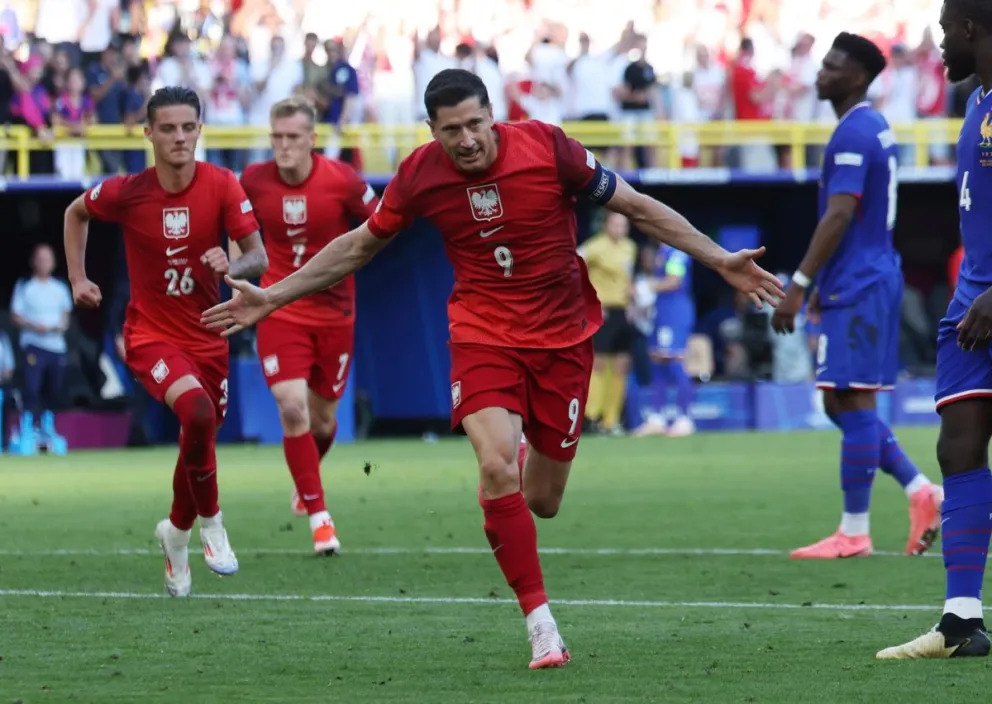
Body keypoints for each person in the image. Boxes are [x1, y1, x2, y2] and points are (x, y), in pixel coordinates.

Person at [201, 69, 784, 669]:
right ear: (433, 130)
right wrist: (272, 295)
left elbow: (635, 206)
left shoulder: (550, 147)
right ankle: (541, 625)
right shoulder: (420, 174)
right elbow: (358, 245)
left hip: (562, 338)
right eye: (451, 130)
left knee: (544, 500)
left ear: (493, 115)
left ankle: (526, 460)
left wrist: (718, 259)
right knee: (494, 465)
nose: (467, 139)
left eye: (476, 124)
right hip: (482, 333)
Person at [63, 86, 268, 598]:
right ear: (148, 132)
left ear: (200, 130)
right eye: (169, 128)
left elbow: (258, 256)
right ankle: (212, 527)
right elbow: (74, 213)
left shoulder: (222, 184)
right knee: (197, 416)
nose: (179, 137)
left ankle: (175, 535)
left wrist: (232, 264)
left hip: (209, 335)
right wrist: (77, 278)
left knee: (196, 439)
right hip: (150, 335)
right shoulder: (128, 191)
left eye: (188, 127)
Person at [771, 33, 942, 561]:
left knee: (853, 398)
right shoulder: (867, 127)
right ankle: (921, 492)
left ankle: (855, 531)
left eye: (832, 66)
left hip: (862, 282)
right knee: (837, 399)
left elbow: (841, 213)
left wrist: (799, 285)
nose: (820, 73)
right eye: (822, 63)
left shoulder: (855, 132)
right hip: (856, 279)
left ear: (859, 77)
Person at [877, 0, 992, 659]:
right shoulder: (977, 101)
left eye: (945, 33)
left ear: (972, 28)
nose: (938, 48)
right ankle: (961, 622)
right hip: (971, 302)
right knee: (958, 447)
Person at [240, 96, 378, 555]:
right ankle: (321, 520)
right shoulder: (253, 181)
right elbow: (234, 229)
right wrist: (234, 264)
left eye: (293, 137)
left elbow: (382, 225)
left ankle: (306, 480)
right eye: (276, 137)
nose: (283, 146)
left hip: (335, 315)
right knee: (292, 409)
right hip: (279, 308)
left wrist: (357, 261)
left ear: (312, 139)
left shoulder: (342, 181)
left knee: (322, 422)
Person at [579, 212, 638, 435]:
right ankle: (592, 416)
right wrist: (589, 300)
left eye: (624, 225)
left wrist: (631, 299)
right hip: (602, 310)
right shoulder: (594, 247)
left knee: (622, 363)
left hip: (622, 310)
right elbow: (575, 266)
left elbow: (627, 276)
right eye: (615, 224)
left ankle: (611, 420)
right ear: (606, 225)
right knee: (599, 362)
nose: (620, 229)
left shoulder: (629, 247)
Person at [633, 243, 697, 437]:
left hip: (675, 314)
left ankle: (685, 418)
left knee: (675, 361)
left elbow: (675, 281)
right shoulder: (661, 252)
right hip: (661, 313)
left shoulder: (677, 253)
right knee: (658, 362)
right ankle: (657, 417)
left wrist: (647, 285)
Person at [10, 244, 72, 422]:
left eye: (47, 259)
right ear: (33, 262)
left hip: (56, 346)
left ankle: (48, 426)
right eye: (40, 259)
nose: (44, 263)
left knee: (55, 389)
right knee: (31, 388)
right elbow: (16, 316)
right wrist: (34, 326)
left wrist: (60, 327)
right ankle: (28, 426)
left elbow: (66, 316)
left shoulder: (60, 288)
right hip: (34, 345)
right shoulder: (25, 286)